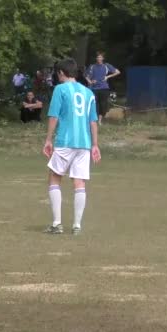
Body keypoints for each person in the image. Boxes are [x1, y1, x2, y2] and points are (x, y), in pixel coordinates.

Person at [43, 58, 101, 235]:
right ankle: (77, 225)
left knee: (55, 177)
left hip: (65, 141)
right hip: (84, 143)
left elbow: (54, 116)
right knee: (79, 181)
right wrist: (95, 145)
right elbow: (93, 121)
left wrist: (48, 139)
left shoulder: (60, 90)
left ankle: (57, 223)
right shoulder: (88, 93)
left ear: (61, 72)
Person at [85, 52, 120, 125]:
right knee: (94, 104)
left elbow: (117, 72)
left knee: (103, 105)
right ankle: (94, 119)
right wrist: (90, 82)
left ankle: (100, 121)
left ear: (103, 58)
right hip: (94, 88)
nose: (99, 59)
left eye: (100, 57)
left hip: (104, 88)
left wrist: (107, 77)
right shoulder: (92, 66)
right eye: (98, 57)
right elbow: (86, 76)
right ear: (96, 58)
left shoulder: (106, 66)